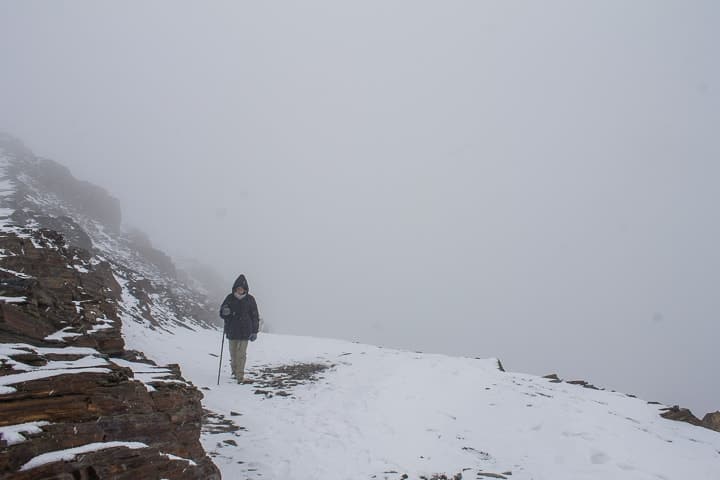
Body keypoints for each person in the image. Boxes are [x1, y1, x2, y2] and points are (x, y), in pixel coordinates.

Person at [219, 274, 260, 383]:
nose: (240, 290)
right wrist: (225, 312)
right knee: (233, 354)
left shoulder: (250, 299)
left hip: (245, 331)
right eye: (238, 288)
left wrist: (254, 331)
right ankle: (234, 371)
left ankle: (240, 376)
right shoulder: (230, 298)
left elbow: (255, 316)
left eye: (242, 288)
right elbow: (222, 312)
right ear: (235, 288)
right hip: (232, 330)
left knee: (241, 354)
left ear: (245, 289)